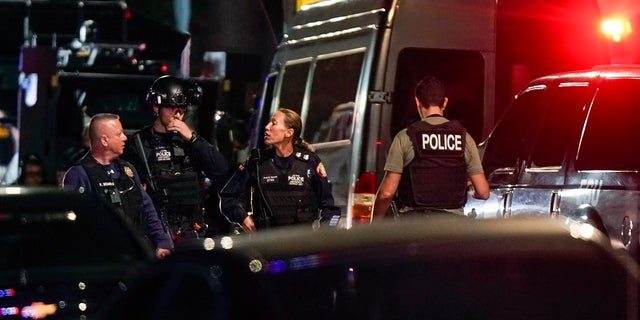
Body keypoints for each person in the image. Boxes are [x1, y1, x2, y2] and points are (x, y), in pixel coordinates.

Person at [122, 75, 228, 243]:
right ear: (157, 107)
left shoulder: (190, 141)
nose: (178, 115)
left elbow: (221, 170)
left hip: (189, 227)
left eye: (182, 110)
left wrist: (192, 138)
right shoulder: (139, 144)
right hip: (154, 229)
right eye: (173, 109)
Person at [372, 76, 489, 220]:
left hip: (414, 226)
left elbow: (386, 194)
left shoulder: (405, 137)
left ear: (417, 102)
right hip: (454, 229)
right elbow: (483, 192)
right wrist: (470, 192)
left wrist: (374, 225)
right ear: (444, 102)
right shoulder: (465, 139)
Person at [62, 113, 172, 258]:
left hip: (134, 256)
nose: (125, 138)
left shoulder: (128, 170)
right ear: (104, 140)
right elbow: (73, 228)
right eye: (119, 134)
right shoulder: (79, 174)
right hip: (102, 260)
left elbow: (147, 209)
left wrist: (162, 242)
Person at [219, 108, 341, 232]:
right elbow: (226, 197)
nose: (267, 127)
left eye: (274, 123)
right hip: (266, 243)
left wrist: (324, 235)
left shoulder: (310, 162)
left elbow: (332, 211)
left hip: (301, 245)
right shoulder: (257, 162)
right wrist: (243, 218)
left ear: (289, 132)